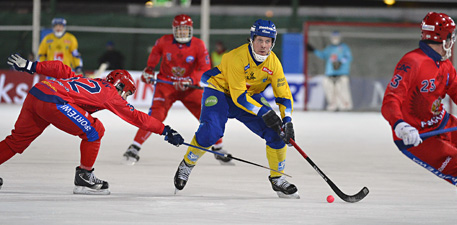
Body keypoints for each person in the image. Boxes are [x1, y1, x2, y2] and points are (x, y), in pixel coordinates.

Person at [2, 54, 184, 195]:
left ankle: (84, 175)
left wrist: (31, 66)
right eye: (126, 93)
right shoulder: (111, 94)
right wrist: (165, 130)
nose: (125, 98)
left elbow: (61, 69)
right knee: (95, 130)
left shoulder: (90, 80)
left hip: (37, 92)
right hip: (54, 101)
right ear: (120, 87)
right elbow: (138, 118)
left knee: (17, 140)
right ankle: (84, 176)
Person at [172, 19, 299, 199]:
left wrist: (287, 120)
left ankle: (277, 178)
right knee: (212, 132)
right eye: (260, 40)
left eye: (268, 41)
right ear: (252, 39)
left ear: (273, 42)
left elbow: (284, 95)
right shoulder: (235, 57)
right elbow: (239, 97)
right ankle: (187, 163)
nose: (264, 46)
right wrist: (264, 112)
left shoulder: (274, 63)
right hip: (220, 91)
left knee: (276, 132)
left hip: (249, 95)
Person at [381, 12, 457, 213]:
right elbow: (391, 99)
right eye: (451, 36)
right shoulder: (412, 62)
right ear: (444, 38)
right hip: (418, 138)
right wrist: (399, 125)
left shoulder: (444, 64)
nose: (452, 41)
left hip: (444, 124)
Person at [122, 14, 229, 165]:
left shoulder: (198, 45)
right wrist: (149, 69)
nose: (183, 32)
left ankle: (218, 148)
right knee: (156, 116)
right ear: (174, 29)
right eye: (180, 29)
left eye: (186, 29)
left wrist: (190, 80)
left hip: (189, 87)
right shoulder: (163, 41)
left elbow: (205, 68)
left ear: (190, 30)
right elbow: (155, 54)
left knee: (208, 114)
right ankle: (134, 147)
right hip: (166, 85)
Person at [308, 31, 353, 111]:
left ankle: (346, 105)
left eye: (336, 37)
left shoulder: (344, 48)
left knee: (341, 89)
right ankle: (333, 105)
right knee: (329, 88)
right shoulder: (329, 48)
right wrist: (314, 50)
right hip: (330, 73)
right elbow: (323, 55)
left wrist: (340, 62)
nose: (335, 39)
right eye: (333, 38)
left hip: (342, 73)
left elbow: (348, 57)